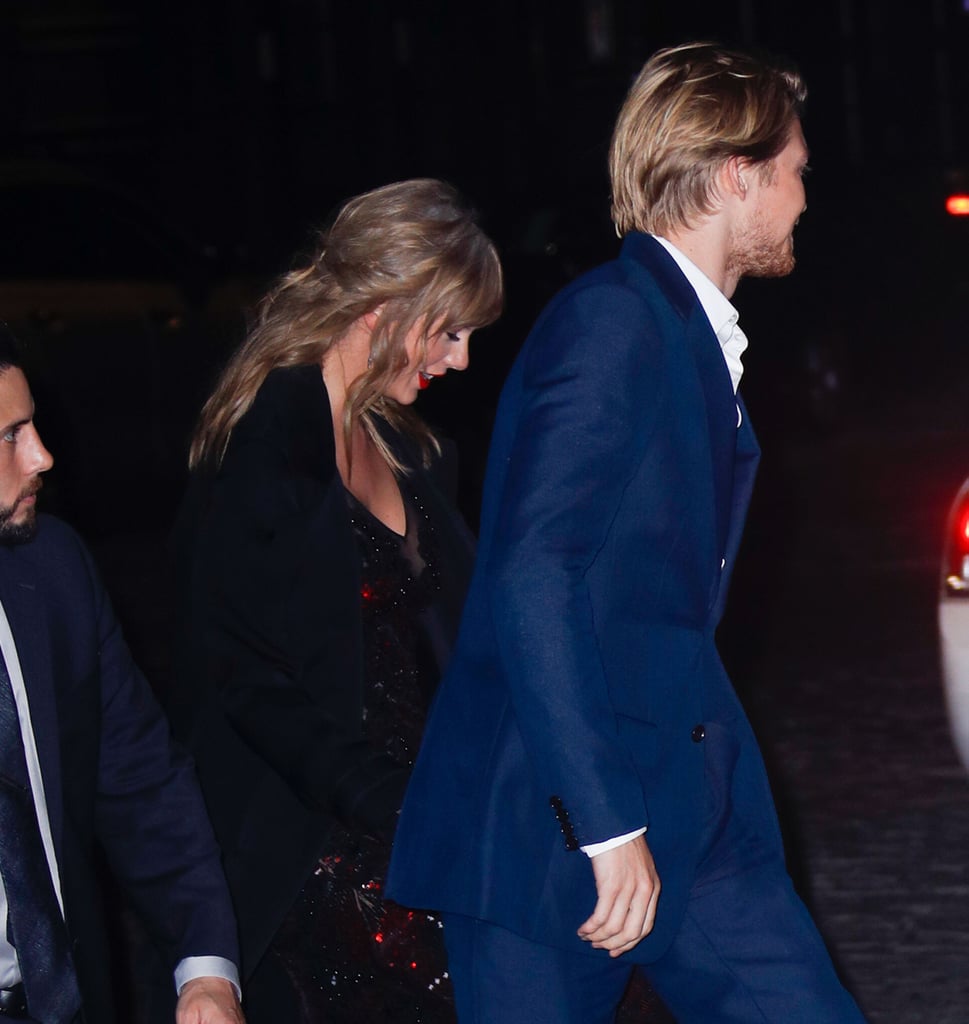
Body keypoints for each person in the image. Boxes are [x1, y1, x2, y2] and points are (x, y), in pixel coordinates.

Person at [387, 42, 868, 1024]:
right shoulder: (613, 323)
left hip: (687, 792)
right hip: (551, 819)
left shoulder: (679, 332)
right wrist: (603, 825)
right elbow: (531, 577)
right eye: (795, 172)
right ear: (738, 175)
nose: (805, 198)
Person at [167, 178, 503, 1023]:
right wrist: (383, 799)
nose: (460, 358)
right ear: (382, 307)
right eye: (449, 329)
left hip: (427, 819)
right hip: (318, 844)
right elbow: (239, 677)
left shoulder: (409, 442)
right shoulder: (265, 446)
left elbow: (459, 639)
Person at [0, 325, 244, 1024]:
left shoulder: (53, 568)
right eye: (10, 435)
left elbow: (137, 775)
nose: (43, 456)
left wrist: (205, 973)